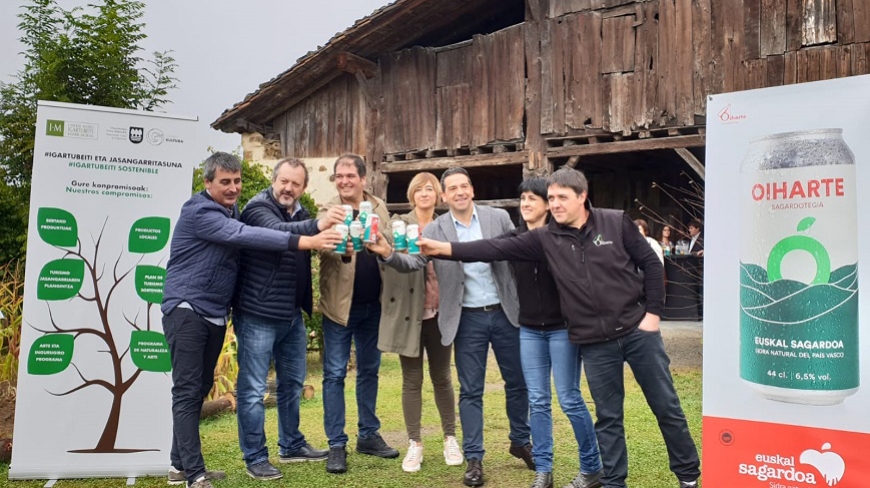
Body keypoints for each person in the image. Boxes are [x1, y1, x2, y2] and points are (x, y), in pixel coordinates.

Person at [418, 167, 701, 488]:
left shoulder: (614, 221)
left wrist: (653, 315)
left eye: (561, 197)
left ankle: (688, 477)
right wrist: (441, 248)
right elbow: (492, 248)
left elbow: (651, 262)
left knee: (666, 406)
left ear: (582, 197)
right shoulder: (545, 238)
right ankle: (613, 482)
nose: (554, 204)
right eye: (550, 198)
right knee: (608, 418)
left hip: (637, 332)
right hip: (594, 341)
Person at [161, 152, 341, 488]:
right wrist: (311, 236)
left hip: (214, 313)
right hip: (187, 309)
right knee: (188, 392)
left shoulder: (231, 209)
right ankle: (195, 474)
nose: (232, 188)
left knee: (198, 389)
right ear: (207, 183)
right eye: (224, 182)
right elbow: (248, 235)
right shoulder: (200, 210)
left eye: (236, 181)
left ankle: (178, 466)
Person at [370, 167, 532, 487]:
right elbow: (415, 262)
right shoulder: (438, 229)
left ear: (472, 189)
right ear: (445, 196)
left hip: (504, 312)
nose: (459, 192)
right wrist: (388, 253)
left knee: (518, 382)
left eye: (464, 186)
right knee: (470, 390)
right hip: (466, 317)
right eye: (452, 188)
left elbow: (518, 256)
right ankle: (474, 458)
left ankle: (520, 440)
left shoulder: (498, 218)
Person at [233, 158, 346, 480]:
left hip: (291, 314)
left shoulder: (300, 212)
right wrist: (317, 227)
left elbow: (307, 241)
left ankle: (291, 444)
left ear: (303, 188)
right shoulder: (257, 208)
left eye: (295, 184)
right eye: (284, 181)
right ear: (274, 180)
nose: (288, 188)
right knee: (253, 390)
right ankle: (255, 457)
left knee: (292, 384)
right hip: (258, 312)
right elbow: (279, 233)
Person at [368, 172, 462, 473]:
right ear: (411, 195)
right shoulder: (398, 225)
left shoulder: (445, 226)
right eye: (419, 189)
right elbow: (386, 254)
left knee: (443, 376)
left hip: (439, 310)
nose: (424, 193)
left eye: (430, 189)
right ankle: (415, 443)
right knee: (412, 380)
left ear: (438, 196)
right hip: (409, 312)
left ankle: (450, 437)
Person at [512, 178, 602, 488]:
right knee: (537, 401)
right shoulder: (515, 239)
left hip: (562, 330)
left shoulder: (564, 239)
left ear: (547, 205)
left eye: (532, 199)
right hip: (529, 331)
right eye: (522, 198)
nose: (525, 203)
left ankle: (592, 468)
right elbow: (484, 249)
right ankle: (543, 470)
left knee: (569, 398)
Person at [317, 153, 398, 475]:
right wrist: (340, 244)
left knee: (369, 371)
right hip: (339, 308)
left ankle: (368, 435)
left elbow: (390, 244)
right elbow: (319, 244)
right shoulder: (328, 209)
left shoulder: (378, 207)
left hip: (373, 306)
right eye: (339, 176)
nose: (344, 181)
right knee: (335, 375)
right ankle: (336, 444)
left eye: (350, 175)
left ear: (363, 179)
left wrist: (381, 241)